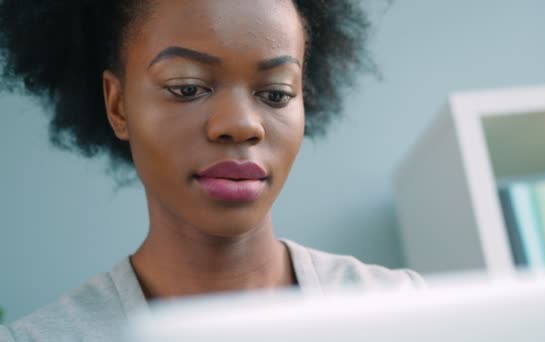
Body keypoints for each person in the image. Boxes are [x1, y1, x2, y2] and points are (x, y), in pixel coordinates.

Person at [0, 0, 423, 340]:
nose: (241, 124)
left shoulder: (403, 310)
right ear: (118, 105)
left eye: (276, 93)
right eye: (187, 87)